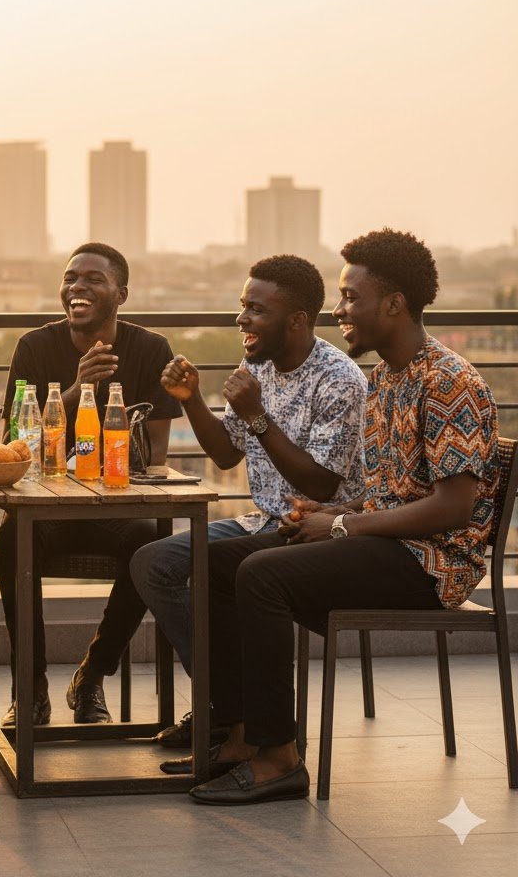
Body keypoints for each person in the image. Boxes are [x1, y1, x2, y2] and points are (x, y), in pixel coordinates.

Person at [186, 229, 499, 805]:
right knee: (217, 560)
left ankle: (278, 757)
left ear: (395, 304)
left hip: (432, 566)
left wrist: (339, 527)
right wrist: (329, 512)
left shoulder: (448, 381)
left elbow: (454, 506)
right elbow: (390, 494)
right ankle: (238, 733)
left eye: (351, 298)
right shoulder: (386, 381)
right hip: (386, 545)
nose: (340, 310)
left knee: (261, 574)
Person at [129, 255, 367, 751]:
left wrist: (257, 415)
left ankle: (236, 720)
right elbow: (224, 450)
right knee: (154, 562)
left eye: (256, 310)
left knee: (222, 568)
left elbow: (322, 485)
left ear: (297, 321)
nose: (241, 320)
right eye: (242, 306)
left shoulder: (338, 380)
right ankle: (226, 706)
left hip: (314, 530)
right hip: (261, 520)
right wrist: (191, 398)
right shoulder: (256, 364)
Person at [0, 243, 181, 725]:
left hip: (113, 512)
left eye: (93, 279)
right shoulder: (35, 348)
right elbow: (13, 446)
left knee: (153, 543)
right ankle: (31, 687)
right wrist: (76, 391)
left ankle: (93, 674)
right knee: (11, 538)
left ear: (121, 293)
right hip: (46, 512)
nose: (78, 286)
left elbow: (156, 458)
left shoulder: (149, 349)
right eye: (70, 277)